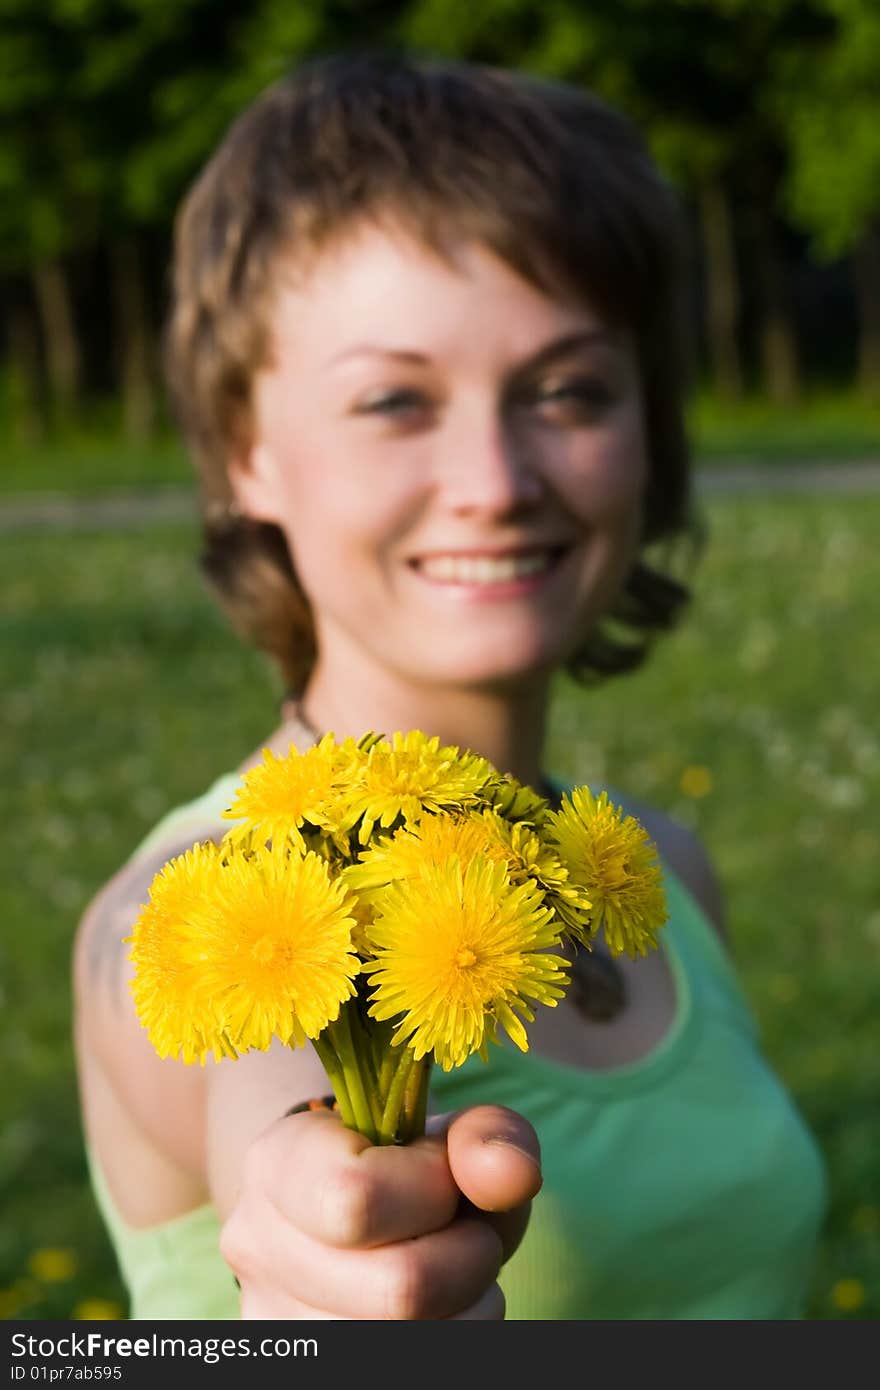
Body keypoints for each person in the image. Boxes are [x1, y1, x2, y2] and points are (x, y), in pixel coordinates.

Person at [72, 50, 827, 1321]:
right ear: (245, 448)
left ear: (650, 424)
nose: (494, 476)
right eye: (393, 399)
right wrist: (336, 1271)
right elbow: (292, 1155)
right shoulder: (192, 923)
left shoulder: (661, 872)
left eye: (567, 389)